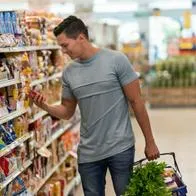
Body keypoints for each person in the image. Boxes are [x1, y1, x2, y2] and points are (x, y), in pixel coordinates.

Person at [30, 15, 160, 196]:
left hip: (120, 147)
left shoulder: (116, 60)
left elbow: (136, 102)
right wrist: (44, 106)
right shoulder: (69, 72)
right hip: (88, 153)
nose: (63, 51)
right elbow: (67, 111)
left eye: (65, 45)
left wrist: (150, 142)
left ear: (81, 38)